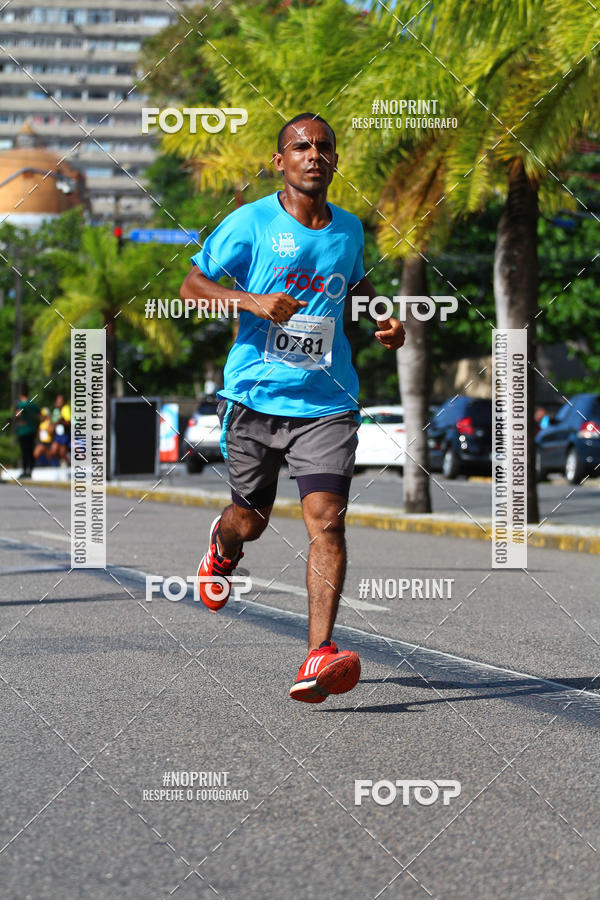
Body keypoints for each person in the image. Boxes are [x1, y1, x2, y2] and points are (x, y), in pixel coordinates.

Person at [180, 113, 405, 703]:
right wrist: (250, 300)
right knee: (249, 521)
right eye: (300, 147)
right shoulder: (251, 222)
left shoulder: (350, 229)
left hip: (327, 401)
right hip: (253, 398)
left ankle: (318, 653)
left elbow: (354, 284)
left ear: (335, 159)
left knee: (327, 520)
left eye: (323, 147)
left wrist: (381, 316)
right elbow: (192, 286)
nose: (313, 154)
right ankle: (222, 549)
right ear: (280, 161)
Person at [14, 384, 40, 479]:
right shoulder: (32, 404)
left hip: (23, 431)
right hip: (32, 430)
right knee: (31, 451)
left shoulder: (21, 405)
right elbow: (39, 416)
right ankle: (31, 471)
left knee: (24, 451)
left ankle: (25, 471)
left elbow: (18, 415)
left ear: (20, 394)